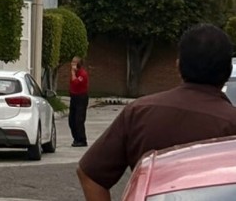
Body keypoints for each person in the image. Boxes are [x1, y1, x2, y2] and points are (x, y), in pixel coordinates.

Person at [77, 24, 236, 201]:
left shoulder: (139, 112)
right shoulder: (231, 123)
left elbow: (90, 174)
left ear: (178, 66)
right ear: (228, 71)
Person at [69, 56, 89, 147]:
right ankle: (76, 138)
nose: (72, 64)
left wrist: (73, 73)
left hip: (81, 97)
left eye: (74, 62)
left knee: (79, 119)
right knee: (71, 120)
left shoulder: (82, 74)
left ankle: (82, 139)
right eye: (72, 62)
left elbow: (75, 82)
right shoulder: (75, 73)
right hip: (74, 97)